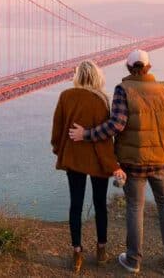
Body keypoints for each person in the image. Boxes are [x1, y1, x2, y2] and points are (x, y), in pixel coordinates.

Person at [69, 49, 164, 273]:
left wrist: (86, 134)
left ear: (129, 68)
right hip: (161, 161)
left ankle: (133, 261)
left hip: (134, 163)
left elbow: (116, 125)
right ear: (149, 67)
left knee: (135, 208)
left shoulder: (123, 90)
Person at [51, 60, 126, 273]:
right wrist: (112, 165)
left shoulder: (65, 96)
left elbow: (56, 131)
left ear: (78, 76)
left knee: (75, 205)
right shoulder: (101, 100)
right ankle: (101, 250)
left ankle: (77, 253)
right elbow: (104, 140)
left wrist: (60, 150)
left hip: (73, 159)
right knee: (100, 204)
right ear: (96, 76)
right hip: (97, 161)